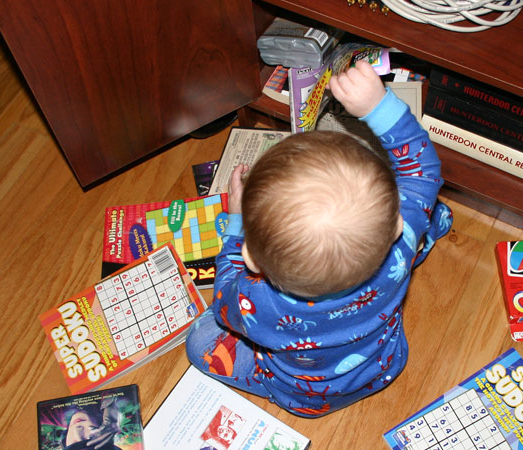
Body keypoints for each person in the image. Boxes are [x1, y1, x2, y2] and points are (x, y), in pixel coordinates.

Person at [185, 60, 453, 417]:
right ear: (394, 229)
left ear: (252, 260)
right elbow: (422, 170)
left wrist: (236, 223)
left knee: (199, 342)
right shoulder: (397, 248)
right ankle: (428, 226)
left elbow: (224, 299)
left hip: (304, 397)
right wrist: (379, 106)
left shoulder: (255, 301)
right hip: (383, 366)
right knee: (425, 209)